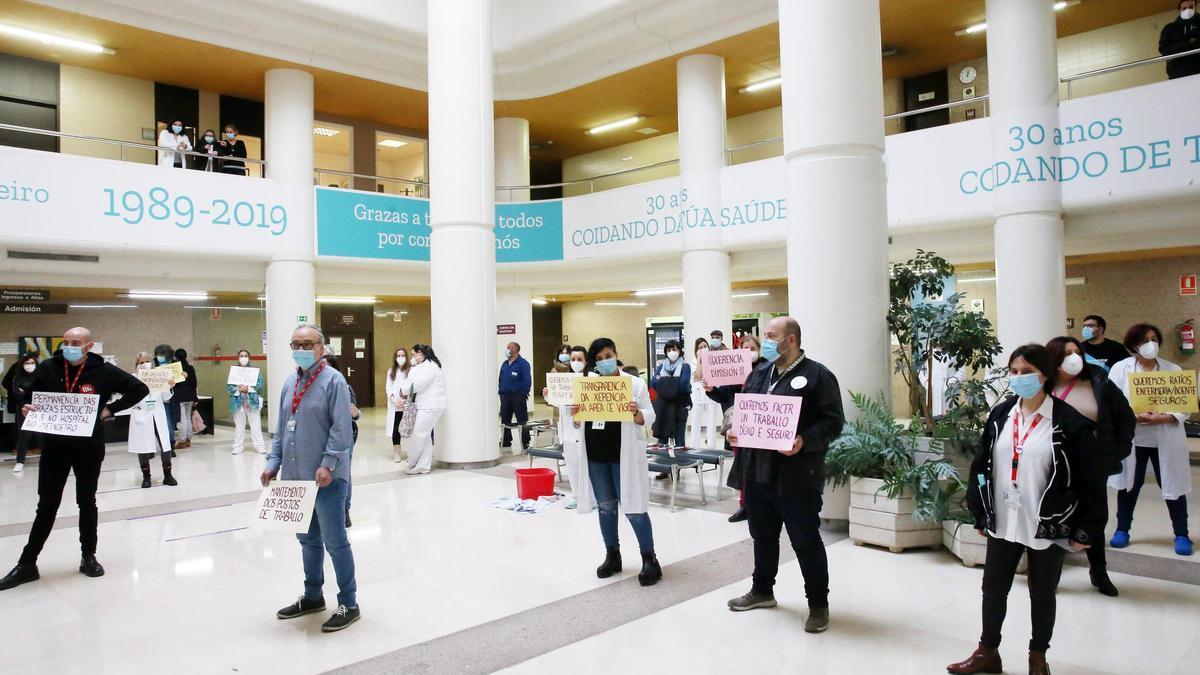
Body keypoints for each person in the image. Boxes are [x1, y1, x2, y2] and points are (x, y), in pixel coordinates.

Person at [948, 344, 1106, 675]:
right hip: (1005, 517)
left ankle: (1038, 657)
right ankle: (987, 651)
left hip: (1047, 520)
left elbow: (1090, 482)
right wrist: (979, 509)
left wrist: (1086, 529)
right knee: (993, 588)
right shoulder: (1001, 415)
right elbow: (981, 464)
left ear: (1045, 375)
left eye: (1027, 372)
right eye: (1014, 371)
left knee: (1042, 591)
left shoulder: (1069, 423)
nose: (1018, 378)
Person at [0, 327, 149, 591]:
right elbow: (30, 397)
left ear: (88, 346)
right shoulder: (48, 368)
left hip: (88, 447)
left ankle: (88, 556)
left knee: (87, 501)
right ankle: (27, 563)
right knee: (46, 504)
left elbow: (139, 389)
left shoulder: (103, 372)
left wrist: (109, 410)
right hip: (55, 446)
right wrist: (27, 406)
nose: (69, 346)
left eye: (75, 342)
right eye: (66, 342)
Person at [724, 317, 844, 635]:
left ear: (790, 341)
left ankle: (818, 604)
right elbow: (741, 412)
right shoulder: (760, 373)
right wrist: (733, 430)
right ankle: (762, 590)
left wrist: (804, 440)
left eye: (770, 336)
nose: (764, 341)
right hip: (758, 474)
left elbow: (834, 422)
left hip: (797, 477)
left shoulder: (818, 375)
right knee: (763, 537)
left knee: (805, 540)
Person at [262, 324, 359, 632]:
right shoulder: (290, 382)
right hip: (296, 476)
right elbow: (281, 426)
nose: (301, 349)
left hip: (326, 478)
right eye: (296, 344)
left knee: (335, 542)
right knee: (307, 540)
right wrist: (272, 462)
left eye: (308, 344)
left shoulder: (334, 381)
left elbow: (341, 429)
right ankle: (313, 595)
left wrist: (329, 464)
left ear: (321, 348)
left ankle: (349, 603)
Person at [1046, 336, 1136, 596]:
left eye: (1077, 352)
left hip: (1093, 463)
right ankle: (1052, 572)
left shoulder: (1097, 380)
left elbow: (1124, 416)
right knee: (1057, 516)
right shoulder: (1044, 385)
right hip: (1056, 464)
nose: (1075, 358)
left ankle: (1099, 571)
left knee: (1094, 517)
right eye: (1067, 354)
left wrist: (1117, 450)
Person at [568, 337, 662, 586]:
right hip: (597, 455)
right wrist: (576, 416)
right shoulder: (589, 386)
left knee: (634, 507)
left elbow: (649, 416)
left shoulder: (634, 384)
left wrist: (636, 413)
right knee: (606, 507)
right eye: (598, 359)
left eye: (607, 356)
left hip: (624, 455)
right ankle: (613, 554)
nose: (604, 362)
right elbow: (579, 422)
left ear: (616, 354)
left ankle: (649, 558)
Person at [1108, 324, 1193, 556]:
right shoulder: (1120, 369)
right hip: (1134, 438)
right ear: (1134, 344)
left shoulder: (1172, 369)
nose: (1151, 344)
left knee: (1173, 487)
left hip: (1165, 437)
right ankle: (1122, 530)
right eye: (1145, 340)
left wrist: (1166, 418)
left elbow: (1184, 407)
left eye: (1154, 338)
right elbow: (1112, 403)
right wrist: (1132, 416)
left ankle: (1182, 534)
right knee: (1129, 487)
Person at [705, 334, 765, 523]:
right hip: (739, 426)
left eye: (752, 349)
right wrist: (712, 390)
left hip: (760, 424)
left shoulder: (767, 370)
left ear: (759, 350)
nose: (749, 353)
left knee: (761, 465)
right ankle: (744, 504)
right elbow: (724, 397)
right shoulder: (736, 372)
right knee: (742, 465)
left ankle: (762, 503)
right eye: (744, 349)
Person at [542, 345, 588, 509]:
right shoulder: (565, 379)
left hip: (584, 429)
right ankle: (576, 495)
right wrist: (549, 396)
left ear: (586, 361)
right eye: (573, 359)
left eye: (579, 359)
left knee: (585, 464)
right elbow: (559, 403)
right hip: (567, 429)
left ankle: (590, 497)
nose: (575, 362)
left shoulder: (592, 378)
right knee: (571, 463)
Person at [322, 355, 361, 529]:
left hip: (344, 434)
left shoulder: (344, 387)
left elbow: (354, 413)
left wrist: (355, 413)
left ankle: (345, 510)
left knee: (343, 473)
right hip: (321, 435)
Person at [129, 353, 177, 489]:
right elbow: (128, 396)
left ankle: (168, 475)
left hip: (158, 414)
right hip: (142, 415)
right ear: (137, 365)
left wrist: (169, 386)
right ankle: (146, 477)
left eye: (147, 361)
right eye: (141, 362)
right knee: (143, 446)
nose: (145, 364)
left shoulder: (159, 376)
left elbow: (166, 397)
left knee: (165, 444)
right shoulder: (132, 379)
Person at [406, 344, 446, 475]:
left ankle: (415, 462)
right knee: (425, 435)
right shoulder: (423, 366)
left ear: (420, 353)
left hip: (431, 406)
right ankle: (423, 465)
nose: (412, 357)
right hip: (425, 405)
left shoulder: (429, 366)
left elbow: (418, 384)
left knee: (418, 433)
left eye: (413, 354)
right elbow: (412, 380)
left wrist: (404, 390)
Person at [650, 338, 691, 447]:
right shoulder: (661, 366)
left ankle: (680, 463)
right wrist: (674, 382)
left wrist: (663, 382)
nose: (671, 352)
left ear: (679, 351)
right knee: (662, 442)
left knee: (679, 442)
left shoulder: (685, 366)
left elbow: (683, 385)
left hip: (680, 407)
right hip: (664, 408)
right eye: (668, 350)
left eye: (674, 349)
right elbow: (653, 382)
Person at [3, 352, 38, 473]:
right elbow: (17, 392)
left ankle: (50, 459)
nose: (29, 365)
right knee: (24, 435)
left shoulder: (40, 375)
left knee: (42, 435)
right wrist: (28, 393)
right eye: (27, 363)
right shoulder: (17, 377)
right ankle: (20, 461)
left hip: (39, 407)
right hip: (22, 407)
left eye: (32, 363)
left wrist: (27, 391)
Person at [228, 349, 265, 455]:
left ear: (249, 357)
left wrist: (248, 389)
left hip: (252, 401)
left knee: (256, 425)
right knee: (239, 427)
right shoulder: (234, 372)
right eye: (241, 355)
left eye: (245, 355)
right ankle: (238, 447)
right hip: (237, 402)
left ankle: (259, 446)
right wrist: (238, 389)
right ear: (238, 358)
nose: (243, 357)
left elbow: (259, 386)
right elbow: (229, 387)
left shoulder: (255, 372)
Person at [688, 337, 721, 449]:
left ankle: (712, 448)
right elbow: (697, 377)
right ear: (696, 350)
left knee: (711, 422)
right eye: (700, 347)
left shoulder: (713, 359)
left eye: (705, 346)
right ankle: (694, 447)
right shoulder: (693, 361)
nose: (703, 349)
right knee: (695, 422)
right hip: (697, 395)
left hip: (711, 394)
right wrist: (699, 359)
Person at [498, 341, 532, 451]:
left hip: (518, 395)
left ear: (515, 350)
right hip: (505, 395)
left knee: (522, 419)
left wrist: (523, 394)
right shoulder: (505, 363)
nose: (507, 349)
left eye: (508, 347)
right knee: (505, 418)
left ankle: (525, 441)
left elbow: (527, 381)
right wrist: (501, 391)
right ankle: (506, 440)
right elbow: (501, 378)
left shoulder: (523, 364)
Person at [1159, 0, 1200, 80]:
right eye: (1184, 8)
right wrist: (1188, 42)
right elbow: (1165, 51)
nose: (1187, 10)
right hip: (1178, 75)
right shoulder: (1169, 29)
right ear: (1179, 11)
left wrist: (1179, 47)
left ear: (1195, 7)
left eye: (1191, 7)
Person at [385, 347, 412, 463]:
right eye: (398, 356)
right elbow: (388, 387)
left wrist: (406, 399)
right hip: (396, 405)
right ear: (395, 358)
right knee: (396, 429)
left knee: (410, 428)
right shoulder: (391, 371)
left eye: (403, 355)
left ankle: (412, 453)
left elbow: (413, 386)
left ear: (406, 357)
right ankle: (397, 452)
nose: (400, 358)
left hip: (408, 404)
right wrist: (394, 399)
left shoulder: (411, 370)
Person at [172, 348, 199, 450]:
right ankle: (188, 440)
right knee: (188, 418)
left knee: (181, 419)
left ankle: (182, 441)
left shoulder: (175, 368)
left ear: (176, 357)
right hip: (190, 396)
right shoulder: (190, 368)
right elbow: (194, 383)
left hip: (179, 396)